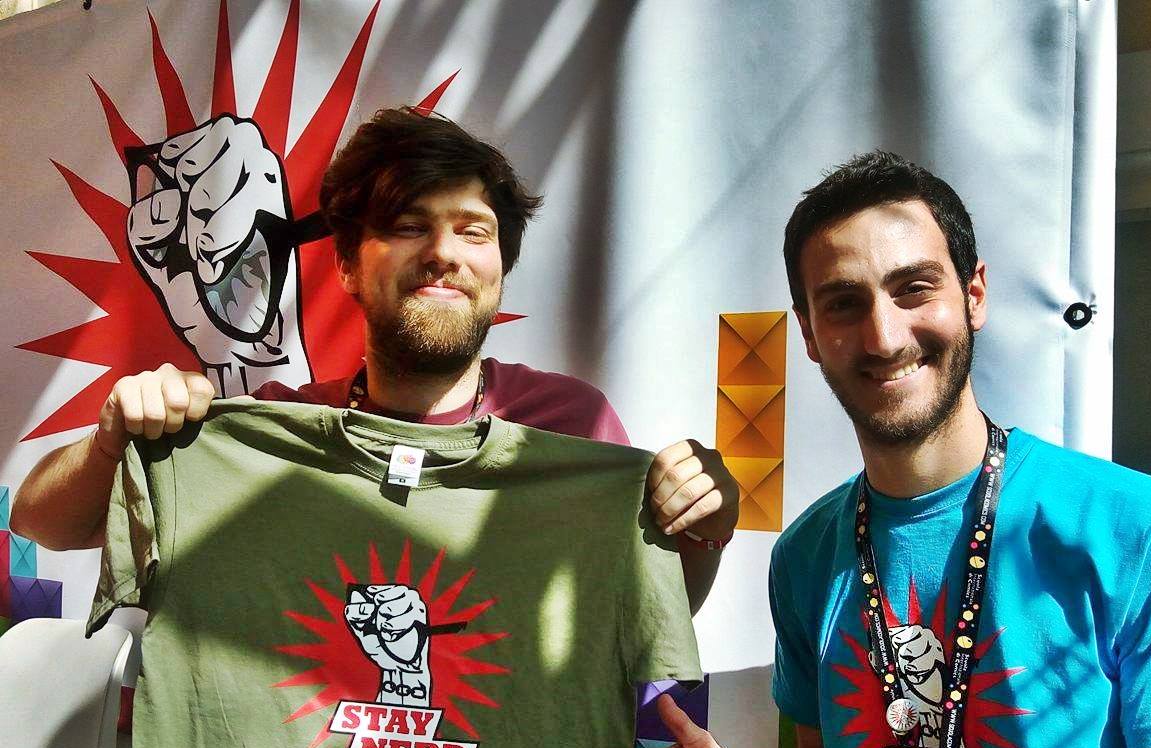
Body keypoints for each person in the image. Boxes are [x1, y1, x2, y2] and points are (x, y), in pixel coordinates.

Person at [634, 150, 1151, 748]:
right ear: (807, 333)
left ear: (974, 294)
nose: (884, 336)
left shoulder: (1145, 530)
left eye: (913, 289)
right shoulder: (805, 552)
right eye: (843, 303)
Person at [11, 106, 738, 612]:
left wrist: (702, 525)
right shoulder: (270, 432)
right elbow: (44, 523)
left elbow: (646, 609)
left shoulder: (572, 423)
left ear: (501, 269)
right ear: (349, 266)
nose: (444, 253)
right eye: (408, 225)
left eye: (473, 231)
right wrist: (113, 441)